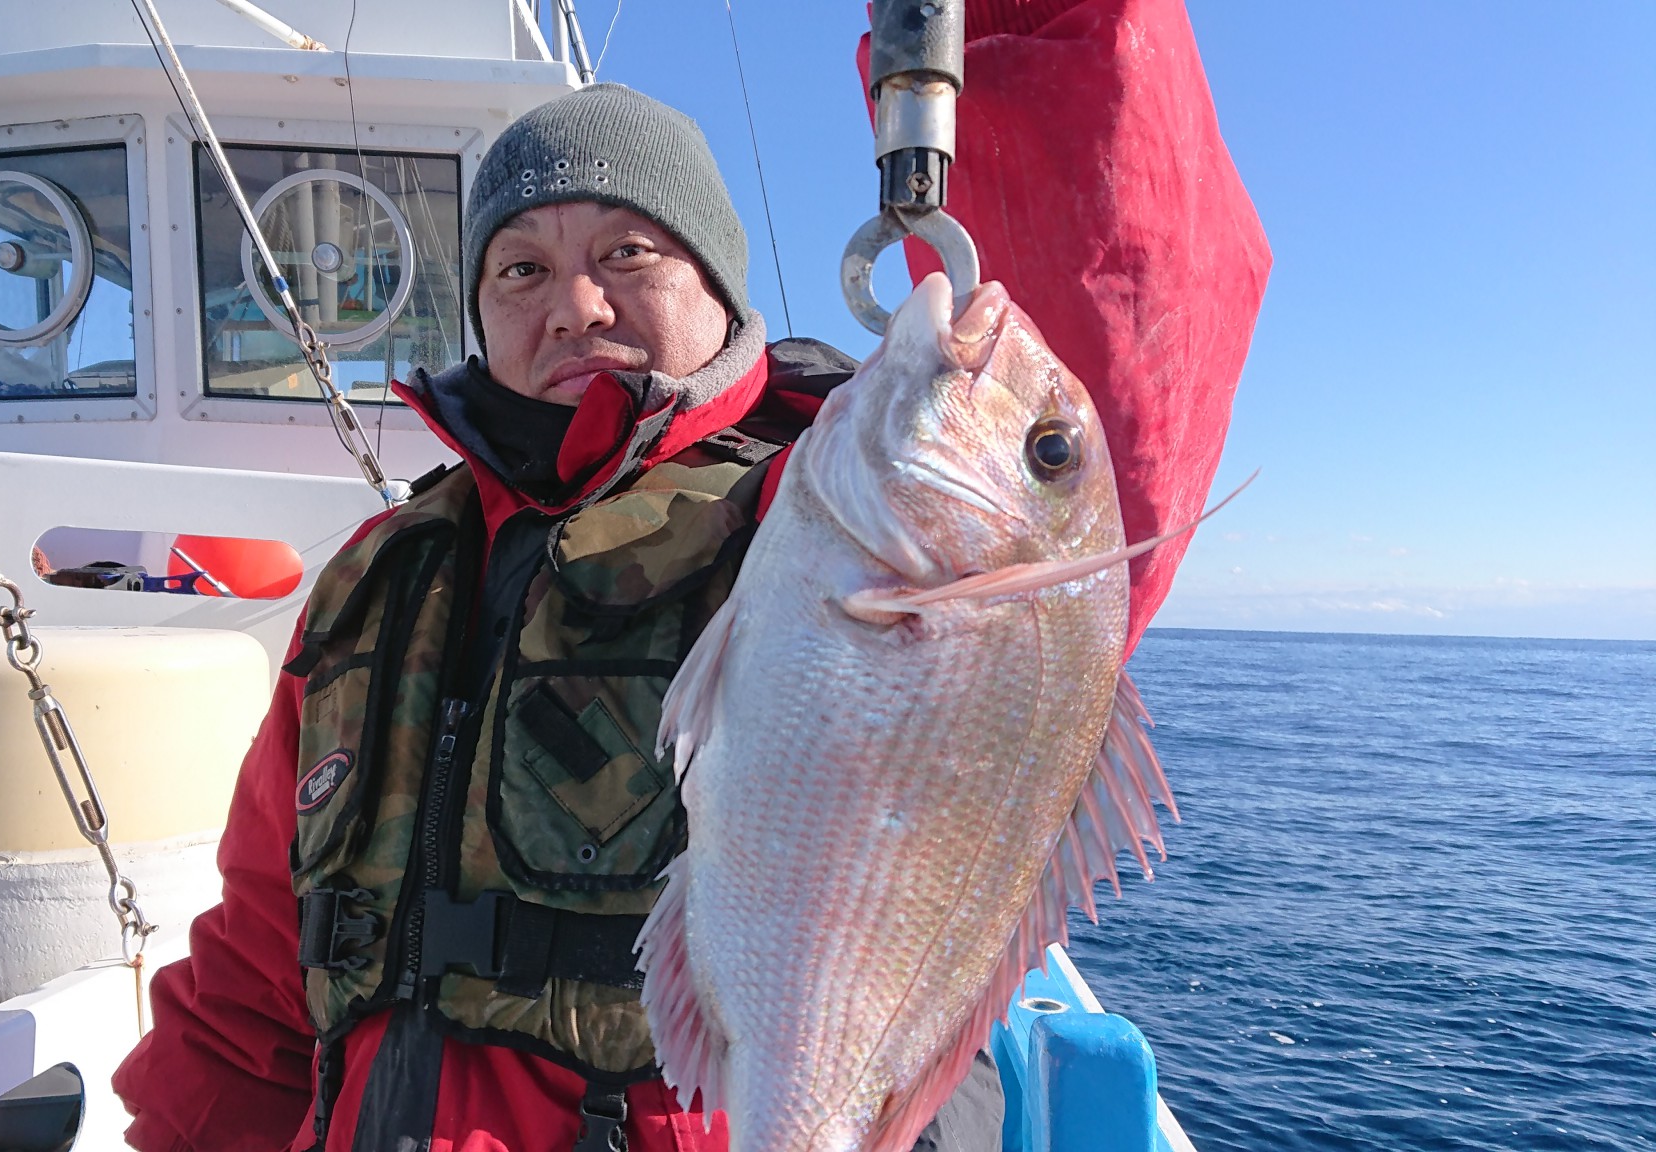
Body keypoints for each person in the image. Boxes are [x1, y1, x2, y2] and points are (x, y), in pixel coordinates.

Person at [115, 1, 1270, 1146]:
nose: (573, 307)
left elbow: (1100, 293)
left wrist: (1030, 22)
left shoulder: (804, 507)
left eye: (627, 253)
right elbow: (251, 986)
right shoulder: (381, 577)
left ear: (718, 289)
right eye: (519, 269)